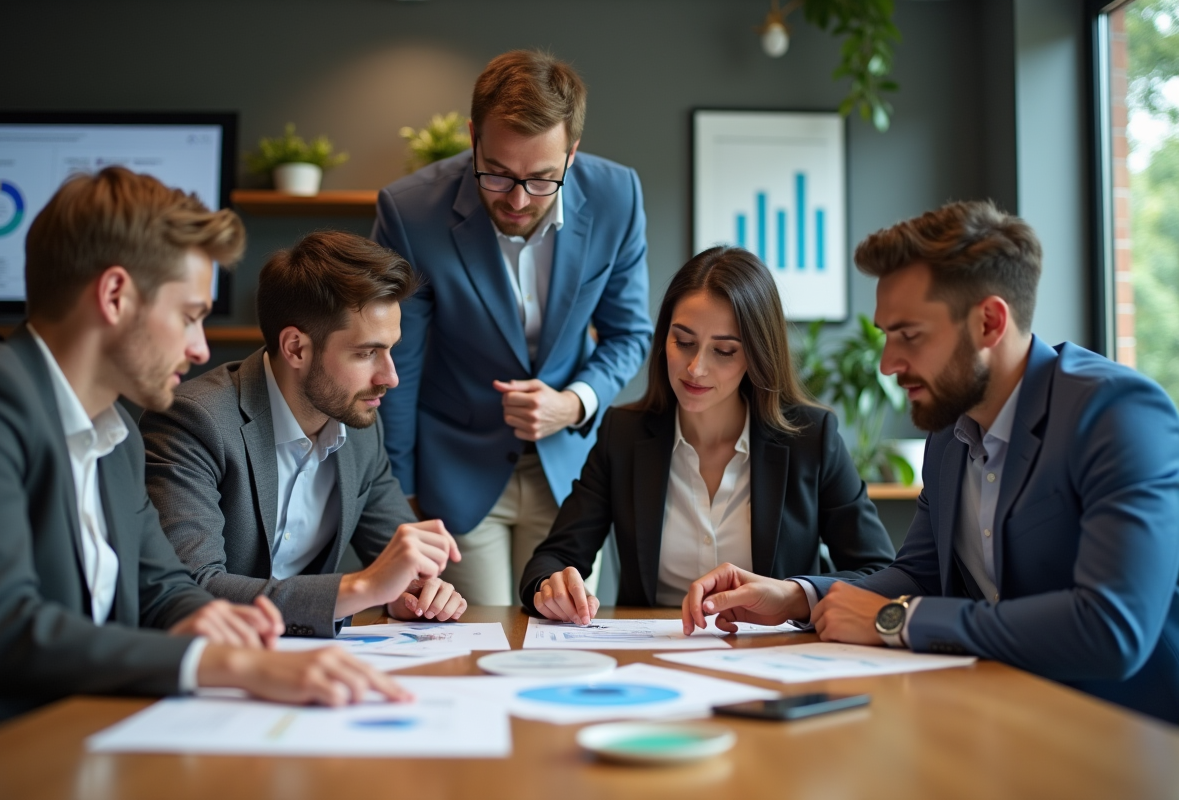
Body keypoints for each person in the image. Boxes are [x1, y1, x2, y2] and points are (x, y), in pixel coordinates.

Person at [682, 201, 1179, 724]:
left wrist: (897, 621)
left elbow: (1112, 628)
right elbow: (918, 574)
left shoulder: (1117, 413)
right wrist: (794, 596)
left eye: (909, 335)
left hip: (1128, 734)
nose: (888, 364)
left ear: (989, 322)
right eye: (885, 334)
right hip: (1002, 713)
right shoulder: (949, 430)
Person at [0, 168, 409, 727]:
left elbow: (163, 590)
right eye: (189, 315)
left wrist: (237, 638)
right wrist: (218, 663)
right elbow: (3, 625)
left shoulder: (117, 435)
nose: (200, 347)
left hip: (90, 730)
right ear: (114, 296)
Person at [372, 49, 653, 605]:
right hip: (456, 476)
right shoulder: (410, 213)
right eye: (497, 175)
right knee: (472, 646)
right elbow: (395, 364)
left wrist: (573, 403)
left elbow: (629, 333)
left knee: (565, 644)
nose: (519, 200)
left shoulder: (618, 197)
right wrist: (398, 496)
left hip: (571, 474)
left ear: (571, 155)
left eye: (543, 179)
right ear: (474, 136)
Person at [520, 246, 896, 623]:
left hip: (773, 660)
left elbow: (880, 573)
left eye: (724, 350)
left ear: (756, 355)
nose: (696, 368)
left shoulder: (812, 438)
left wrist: (795, 595)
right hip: (652, 658)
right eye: (683, 342)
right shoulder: (624, 434)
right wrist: (551, 586)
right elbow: (553, 558)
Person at [140, 231, 466, 639]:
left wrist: (416, 590)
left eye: (391, 349)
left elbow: (397, 564)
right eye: (366, 353)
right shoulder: (193, 422)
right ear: (295, 348)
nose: (391, 377)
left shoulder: (361, 423)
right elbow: (190, 589)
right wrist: (362, 588)